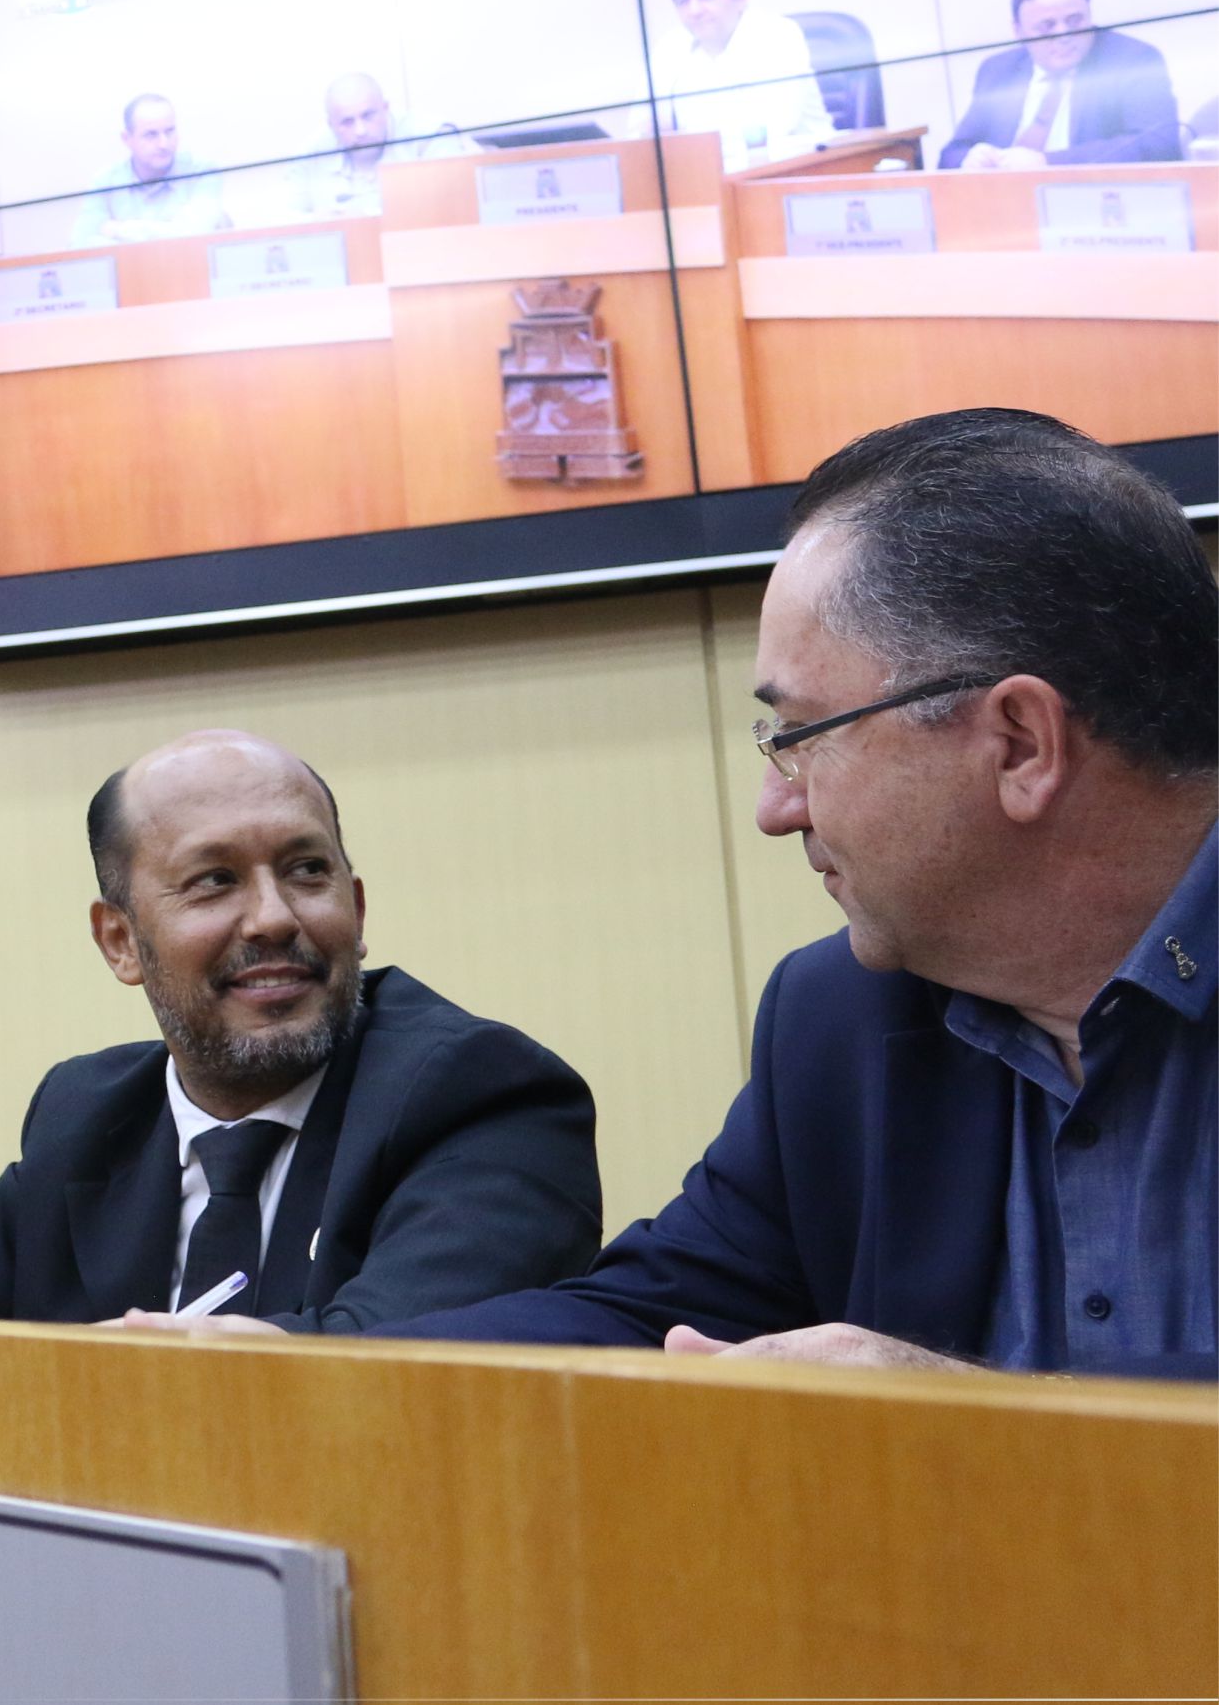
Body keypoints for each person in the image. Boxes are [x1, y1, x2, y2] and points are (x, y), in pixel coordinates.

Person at [392, 411, 1215, 1377]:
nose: (775, 810)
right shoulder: (842, 1018)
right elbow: (652, 1314)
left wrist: (991, 1422)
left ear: (1020, 743)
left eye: (800, 737)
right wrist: (311, 1368)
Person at [0, 734, 599, 1329]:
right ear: (120, 941)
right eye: (214, 880)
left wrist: (102, 1377)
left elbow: (390, 1366)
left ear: (356, 909)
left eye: (307, 870)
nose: (274, 917)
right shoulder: (91, 1116)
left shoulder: (479, 1093)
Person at [938, 0, 1182, 169]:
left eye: (1075, 21)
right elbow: (950, 154)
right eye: (1046, 26)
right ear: (1018, 31)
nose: (1064, 35)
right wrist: (969, 159)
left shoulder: (1132, 59)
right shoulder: (998, 69)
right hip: (1005, 201)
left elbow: (1159, 144)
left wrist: (1049, 162)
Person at [650, 0, 835, 172]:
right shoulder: (670, 47)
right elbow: (644, 133)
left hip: (799, 170)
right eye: (683, 1)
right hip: (707, 176)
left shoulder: (777, 34)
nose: (695, 10)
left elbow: (773, 129)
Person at [273, 71, 469, 221]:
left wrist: (363, 218)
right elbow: (283, 220)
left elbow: (455, 206)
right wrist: (320, 221)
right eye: (347, 122)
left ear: (385, 108)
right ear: (331, 125)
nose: (360, 130)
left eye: (368, 116)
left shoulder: (431, 135)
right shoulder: (312, 155)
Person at [71, 93, 230, 242]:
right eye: (151, 135)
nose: (164, 144)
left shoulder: (201, 171)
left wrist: (119, 230)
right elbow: (82, 245)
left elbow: (192, 236)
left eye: (169, 131)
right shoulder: (105, 182)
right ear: (127, 139)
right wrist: (169, 230)